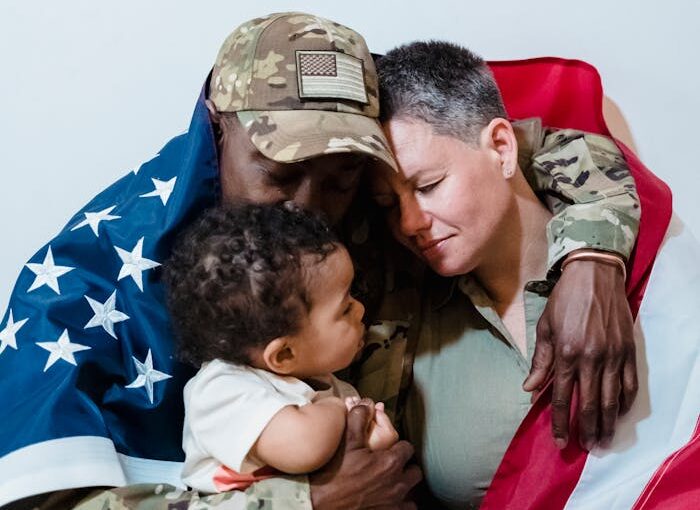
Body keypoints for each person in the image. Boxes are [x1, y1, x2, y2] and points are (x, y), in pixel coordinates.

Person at [0, 12, 641, 510]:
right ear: (217, 128)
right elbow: (44, 500)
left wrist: (591, 254)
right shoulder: (79, 284)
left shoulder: (370, 202)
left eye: (338, 179)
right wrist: (307, 501)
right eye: (281, 175)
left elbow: (548, 146)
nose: (309, 210)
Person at [370, 40, 697, 509]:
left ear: (501, 147)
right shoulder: (403, 332)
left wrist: (596, 258)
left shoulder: (646, 258)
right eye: (387, 204)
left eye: (429, 186)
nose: (408, 222)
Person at [163, 203, 398, 493]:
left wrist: (373, 445)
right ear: (284, 355)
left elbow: (343, 470)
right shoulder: (222, 390)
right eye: (345, 308)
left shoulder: (330, 386)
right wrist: (344, 413)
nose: (361, 310)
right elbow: (306, 446)